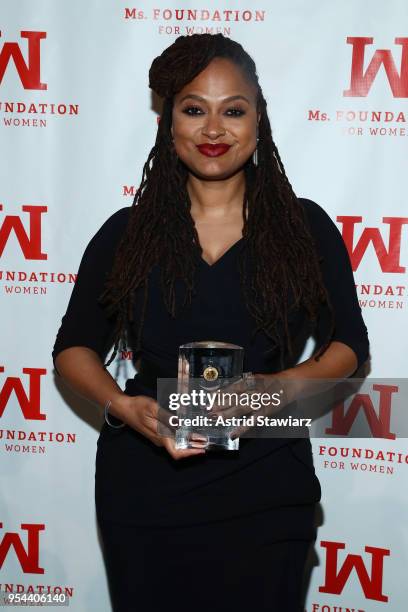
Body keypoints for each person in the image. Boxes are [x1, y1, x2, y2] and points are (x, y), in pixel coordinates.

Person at [52, 33, 370, 612]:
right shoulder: (127, 233)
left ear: (258, 120)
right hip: (146, 483)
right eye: (194, 109)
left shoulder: (305, 229)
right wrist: (122, 407)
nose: (214, 129)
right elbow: (74, 348)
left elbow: (349, 343)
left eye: (234, 110)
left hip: (268, 482)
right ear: (168, 123)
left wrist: (275, 389)